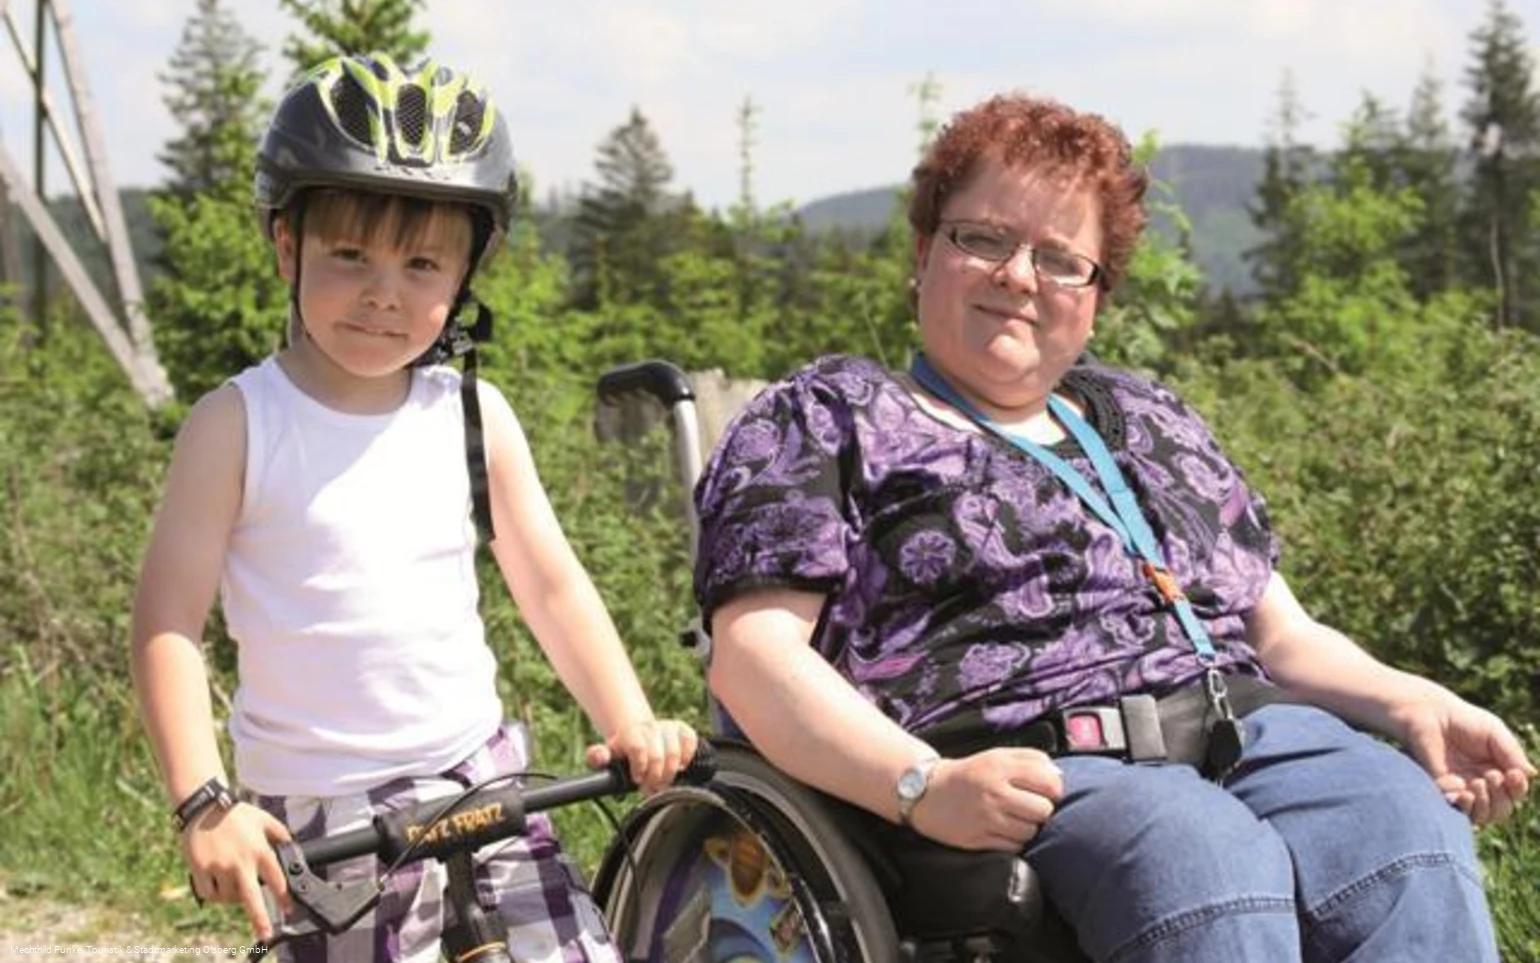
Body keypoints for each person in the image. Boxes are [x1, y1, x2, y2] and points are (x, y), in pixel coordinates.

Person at [693, 92, 1533, 963]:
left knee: (1402, 825)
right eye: (983, 238)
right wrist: (919, 783)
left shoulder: (1149, 417)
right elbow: (757, 659)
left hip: (1253, 730)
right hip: (1040, 758)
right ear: (922, 251)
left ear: (1095, 297)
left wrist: (1414, 699)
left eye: (1060, 259)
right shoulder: (831, 416)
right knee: (1203, 861)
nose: (1019, 276)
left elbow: (1278, 630)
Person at [130, 53, 696, 963]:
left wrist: (628, 717)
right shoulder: (236, 424)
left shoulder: (475, 415)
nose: (384, 290)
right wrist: (205, 801)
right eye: (349, 253)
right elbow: (167, 622)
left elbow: (550, 584)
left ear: (465, 273)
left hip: (484, 787)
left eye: (423, 261)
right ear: (287, 245)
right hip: (321, 823)